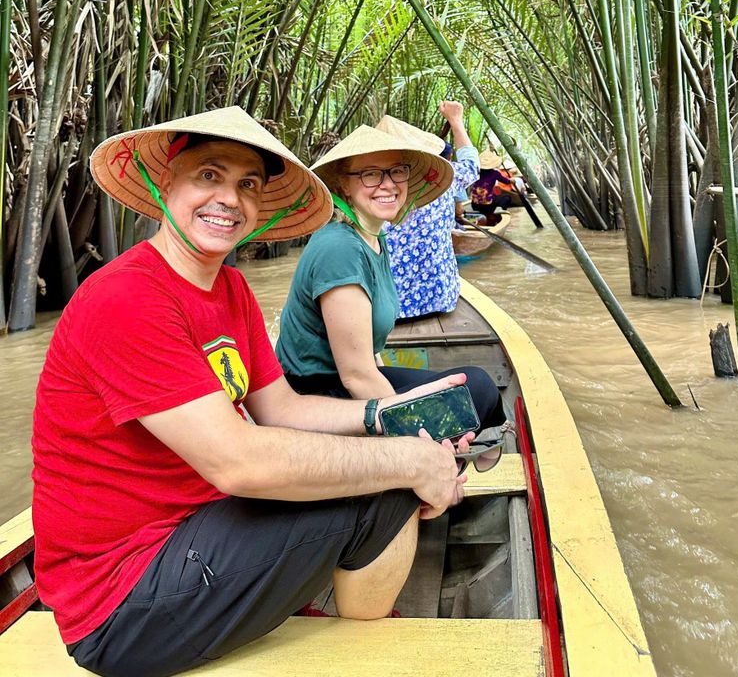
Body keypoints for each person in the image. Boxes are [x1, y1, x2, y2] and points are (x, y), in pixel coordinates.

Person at [32, 107, 474, 677]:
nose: (228, 198)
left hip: (197, 528)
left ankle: (337, 615)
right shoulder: (125, 299)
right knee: (388, 485)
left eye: (247, 185)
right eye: (208, 176)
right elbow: (238, 462)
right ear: (167, 182)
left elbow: (281, 409)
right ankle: (366, 652)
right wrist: (408, 461)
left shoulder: (230, 287)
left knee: (393, 453)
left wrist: (388, 414)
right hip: (119, 602)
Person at [276, 123, 506, 431]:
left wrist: (398, 395)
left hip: (346, 382)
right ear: (344, 185)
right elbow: (356, 376)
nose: (387, 184)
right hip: (316, 394)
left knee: (472, 384)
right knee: (476, 389)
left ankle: (468, 444)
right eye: (370, 174)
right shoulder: (340, 248)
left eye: (396, 171)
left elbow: (370, 354)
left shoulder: (375, 238)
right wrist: (408, 431)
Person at [377, 103, 480, 318]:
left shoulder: (365, 185)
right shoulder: (442, 177)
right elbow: (471, 166)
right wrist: (456, 121)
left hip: (388, 309)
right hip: (440, 298)